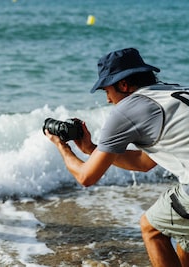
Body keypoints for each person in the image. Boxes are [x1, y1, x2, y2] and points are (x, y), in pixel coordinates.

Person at [45, 47, 189, 266]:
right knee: (182, 229)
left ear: (123, 85)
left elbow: (86, 177)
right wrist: (92, 149)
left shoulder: (127, 109)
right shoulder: (174, 92)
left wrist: (61, 146)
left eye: (106, 91)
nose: (108, 100)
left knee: (151, 228)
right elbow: (145, 162)